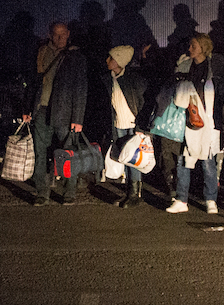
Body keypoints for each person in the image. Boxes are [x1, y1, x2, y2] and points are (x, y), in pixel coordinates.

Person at [24, 22, 89, 205]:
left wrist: (77, 118)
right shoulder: (41, 53)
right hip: (41, 109)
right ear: (50, 35)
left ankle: (69, 191)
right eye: (56, 34)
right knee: (40, 152)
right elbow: (33, 81)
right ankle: (42, 192)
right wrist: (27, 108)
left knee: (68, 153)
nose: (60, 38)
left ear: (68, 34)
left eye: (63, 34)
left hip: (65, 112)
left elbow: (80, 89)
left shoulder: (76, 56)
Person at [166, 34, 224, 214]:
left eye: (193, 46)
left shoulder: (214, 67)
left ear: (203, 47)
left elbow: (220, 94)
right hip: (187, 119)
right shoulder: (185, 65)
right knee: (184, 159)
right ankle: (181, 199)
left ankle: (211, 200)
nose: (190, 49)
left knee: (207, 161)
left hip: (207, 120)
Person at [102, 44, 148, 207]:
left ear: (119, 61)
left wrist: (142, 127)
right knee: (125, 158)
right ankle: (130, 192)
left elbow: (143, 103)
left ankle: (135, 194)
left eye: (111, 58)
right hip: (119, 123)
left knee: (133, 159)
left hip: (133, 124)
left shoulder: (133, 79)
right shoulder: (109, 78)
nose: (108, 60)